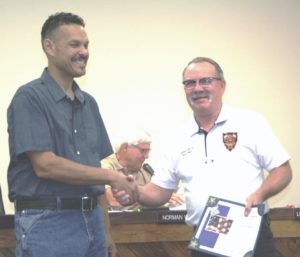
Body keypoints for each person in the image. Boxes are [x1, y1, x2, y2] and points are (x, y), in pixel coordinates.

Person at [113, 57, 293, 257]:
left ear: (222, 86)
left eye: (205, 81)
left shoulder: (250, 122)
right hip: (205, 240)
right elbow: (159, 192)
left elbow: (283, 170)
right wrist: (134, 191)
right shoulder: (177, 136)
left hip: (250, 233)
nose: (197, 88)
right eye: (190, 83)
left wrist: (260, 194)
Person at [7, 12, 138, 257]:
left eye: (86, 45)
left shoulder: (89, 103)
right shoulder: (29, 97)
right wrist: (112, 176)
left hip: (92, 222)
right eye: (74, 44)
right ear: (50, 47)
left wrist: (106, 231)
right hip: (47, 224)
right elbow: (45, 166)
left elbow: (94, 174)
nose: (84, 51)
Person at [102, 128, 185, 210]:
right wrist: (155, 198)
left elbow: (159, 192)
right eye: (143, 150)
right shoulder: (104, 167)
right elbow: (113, 200)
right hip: (115, 222)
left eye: (148, 151)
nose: (147, 156)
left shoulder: (145, 171)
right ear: (125, 147)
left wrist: (169, 196)